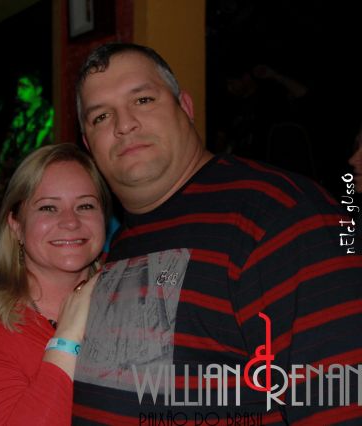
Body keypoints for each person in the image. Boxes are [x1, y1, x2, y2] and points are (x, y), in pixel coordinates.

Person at [73, 42, 362, 424]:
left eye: (143, 100)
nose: (123, 124)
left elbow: (343, 401)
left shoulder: (280, 216)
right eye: (100, 117)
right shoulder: (117, 245)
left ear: (186, 108)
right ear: (88, 144)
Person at [0, 143, 110, 425]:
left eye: (85, 205)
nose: (70, 222)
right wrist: (67, 338)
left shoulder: (134, 287)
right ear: (16, 225)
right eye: (48, 207)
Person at [0, 74, 54, 194]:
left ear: (38, 90)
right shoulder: (19, 115)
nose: (19, 92)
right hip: (15, 177)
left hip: (36, 176)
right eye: (18, 87)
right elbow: (9, 142)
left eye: (25, 87)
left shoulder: (48, 114)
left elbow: (42, 146)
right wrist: (0, 164)